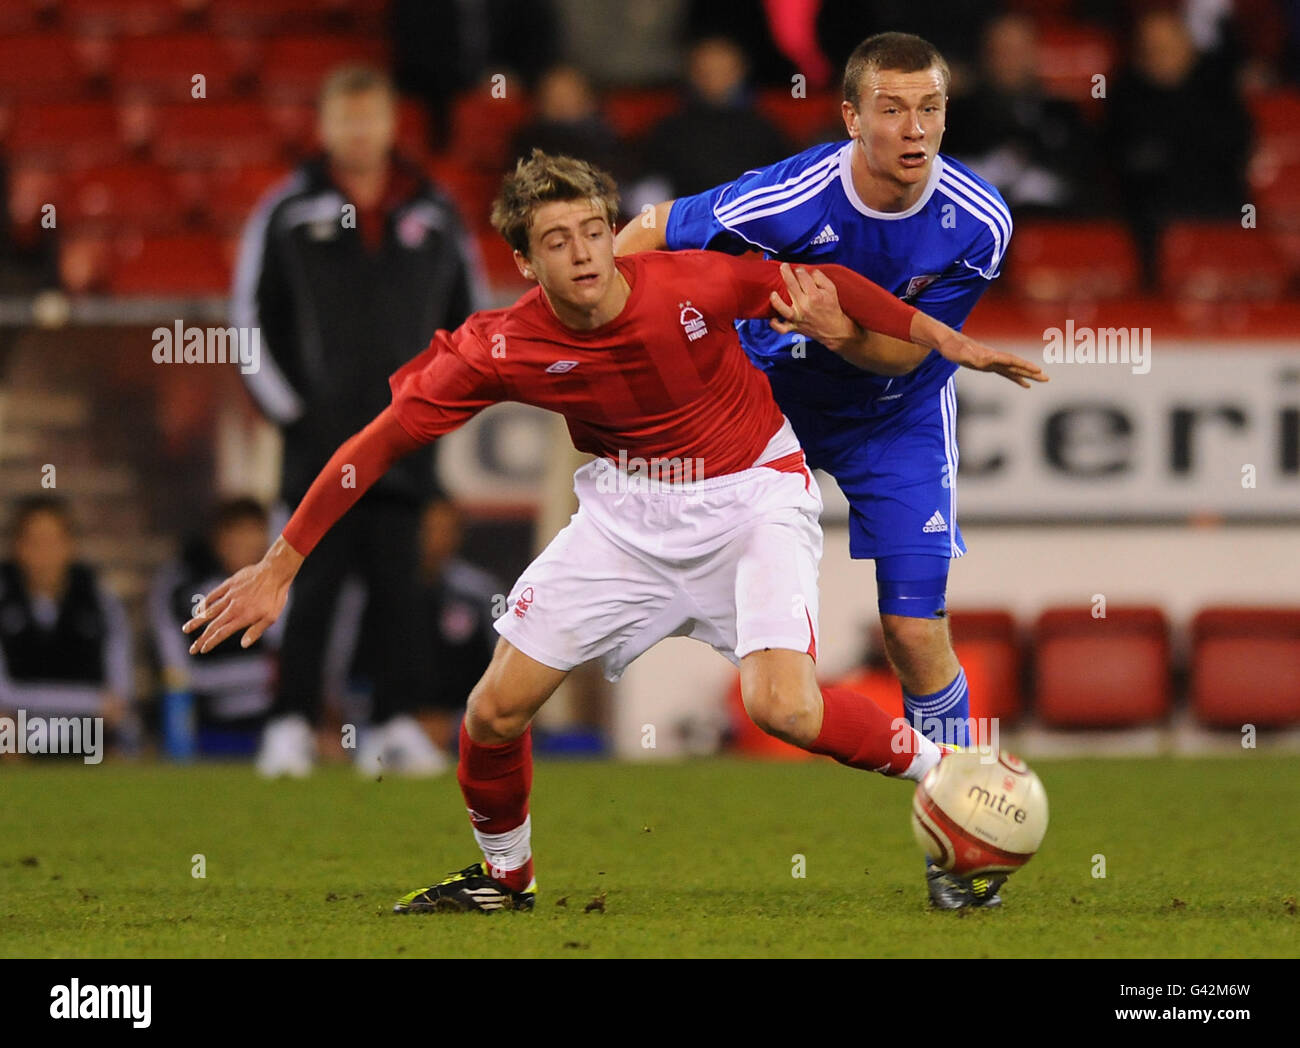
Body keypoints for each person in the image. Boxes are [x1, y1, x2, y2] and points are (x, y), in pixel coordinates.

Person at [186, 150, 1043, 914]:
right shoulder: (499, 347)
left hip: (750, 498)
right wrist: (282, 560)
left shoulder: (693, 283)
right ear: (525, 260)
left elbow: (831, 286)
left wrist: (940, 339)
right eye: (556, 241)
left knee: (783, 707)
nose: (584, 251)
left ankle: (951, 772)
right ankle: (505, 877)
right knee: (492, 713)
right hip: (625, 520)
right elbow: (373, 446)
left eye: (593, 230)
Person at [615, 32, 1025, 908]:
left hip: (898, 421)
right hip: (777, 408)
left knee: (914, 634)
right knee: (663, 563)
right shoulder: (792, 194)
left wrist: (837, 330)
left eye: (931, 108)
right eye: (892, 108)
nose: (915, 129)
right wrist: (596, 307)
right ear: (851, 117)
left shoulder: (980, 219)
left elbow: (909, 361)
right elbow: (651, 231)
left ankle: (960, 841)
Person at [232, 64, 483, 778]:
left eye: (371, 117)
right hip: (318, 442)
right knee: (306, 583)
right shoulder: (286, 211)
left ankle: (396, 724)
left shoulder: (435, 211)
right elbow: (249, 322)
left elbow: (468, 322)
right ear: (325, 125)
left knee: (402, 586)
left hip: (406, 438)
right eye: (346, 118)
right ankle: (289, 726)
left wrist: (440, 405)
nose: (359, 131)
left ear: (392, 123)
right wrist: (296, 414)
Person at [0, 496, 136, 755]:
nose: (44, 553)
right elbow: (4, 694)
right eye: (34, 542)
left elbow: (119, 694)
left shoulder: (100, 600)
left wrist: (100, 709)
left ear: (70, 545)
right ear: (17, 546)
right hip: (19, 730)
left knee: (124, 734)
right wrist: (89, 701)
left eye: (53, 541)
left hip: (90, 730)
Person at [149, 498, 280, 757]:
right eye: (237, 532)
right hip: (206, 724)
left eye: (254, 532)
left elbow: (289, 664)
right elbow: (179, 677)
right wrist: (262, 672)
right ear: (219, 540)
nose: (246, 544)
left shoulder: (283, 588)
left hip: (271, 723)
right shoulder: (186, 592)